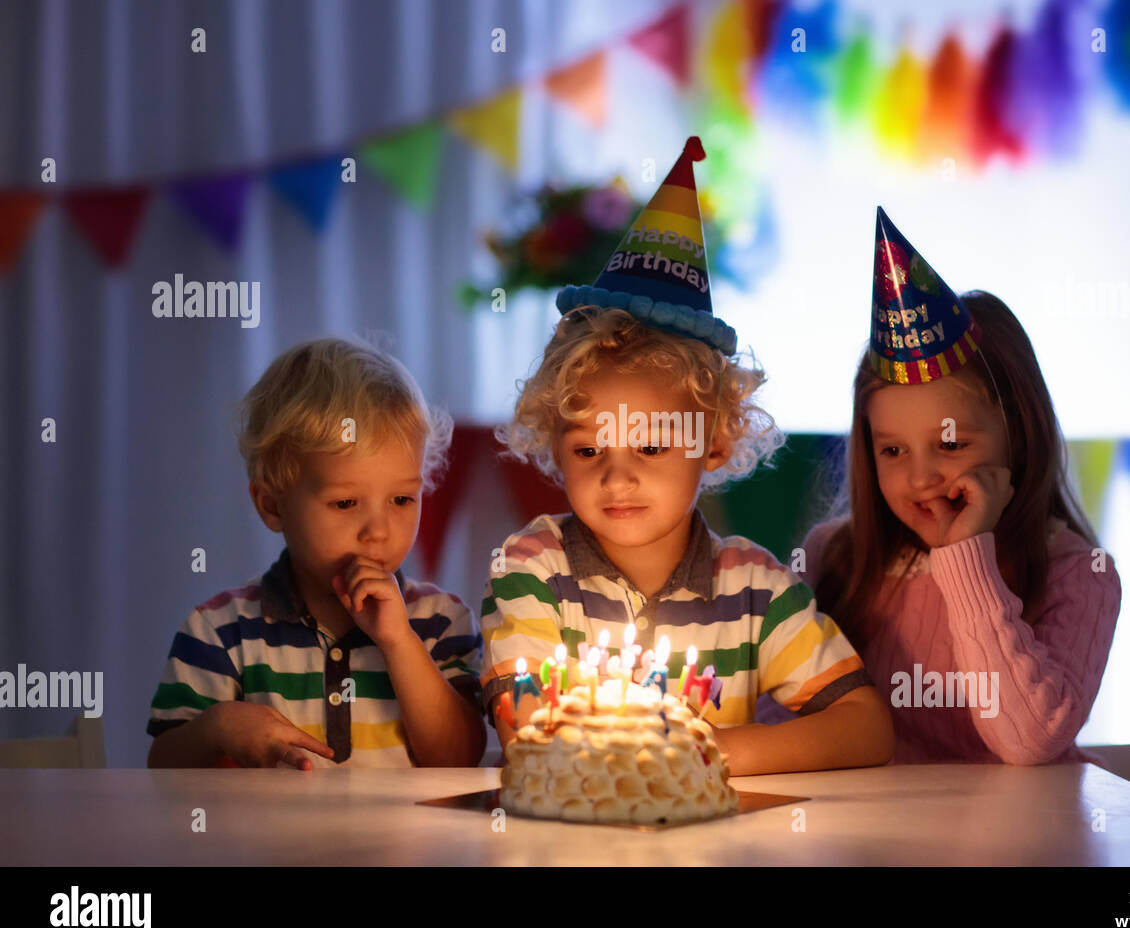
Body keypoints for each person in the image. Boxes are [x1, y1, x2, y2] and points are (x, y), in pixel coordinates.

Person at [481, 139, 895, 776]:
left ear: (715, 442)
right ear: (554, 446)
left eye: (650, 444)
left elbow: (866, 729)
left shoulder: (755, 591)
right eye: (588, 448)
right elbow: (524, 732)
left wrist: (720, 752)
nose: (617, 475)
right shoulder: (533, 571)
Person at [803, 207, 1120, 765]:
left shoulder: (1079, 575)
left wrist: (966, 561)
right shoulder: (832, 560)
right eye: (893, 450)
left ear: (1018, 433)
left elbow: (1031, 741)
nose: (921, 477)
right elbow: (790, 725)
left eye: (950, 445)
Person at [146, 338, 485, 769]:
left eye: (402, 500)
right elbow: (162, 773)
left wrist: (400, 642)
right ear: (272, 504)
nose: (378, 531)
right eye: (345, 503)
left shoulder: (441, 621)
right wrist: (219, 727)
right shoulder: (219, 632)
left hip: (405, 840)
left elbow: (458, 760)